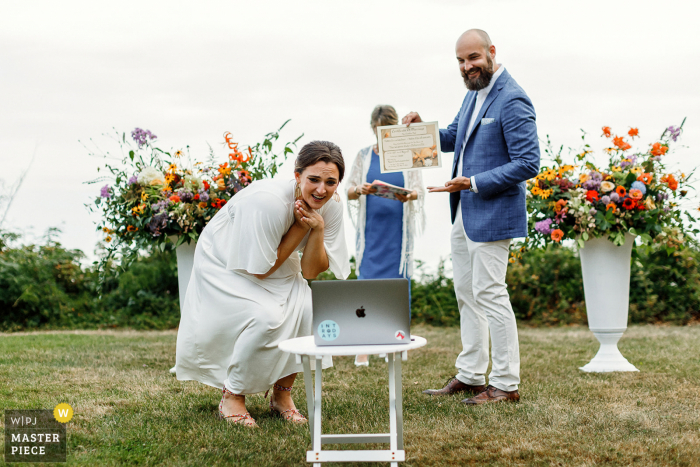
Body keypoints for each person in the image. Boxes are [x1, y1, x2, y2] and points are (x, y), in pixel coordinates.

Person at [402, 29, 540, 404]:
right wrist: (420, 131)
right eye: (461, 61)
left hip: (493, 212)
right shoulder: (473, 95)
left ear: (492, 52)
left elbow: (529, 162)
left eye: (474, 58)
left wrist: (474, 182)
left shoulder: (512, 98)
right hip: (463, 212)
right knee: (467, 294)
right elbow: (453, 137)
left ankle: (507, 384)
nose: (467, 66)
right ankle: (472, 375)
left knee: (491, 294)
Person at [175, 141, 350, 427]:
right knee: (265, 316)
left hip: (275, 263)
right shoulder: (267, 201)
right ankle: (232, 396)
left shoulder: (331, 207)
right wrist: (301, 227)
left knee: (309, 310)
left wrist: (316, 228)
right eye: (314, 180)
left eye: (331, 182)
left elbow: (310, 272)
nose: (321, 190)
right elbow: (260, 271)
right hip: (228, 262)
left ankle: (282, 396)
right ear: (297, 176)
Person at [346, 105, 425, 367]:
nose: (382, 136)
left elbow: (417, 190)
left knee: (397, 283)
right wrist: (360, 189)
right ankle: (363, 346)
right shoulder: (364, 155)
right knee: (366, 282)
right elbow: (349, 189)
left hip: (397, 233)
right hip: (371, 231)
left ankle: (396, 339)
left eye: (387, 131)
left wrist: (408, 194)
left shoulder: (406, 154)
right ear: (372, 129)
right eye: (378, 131)